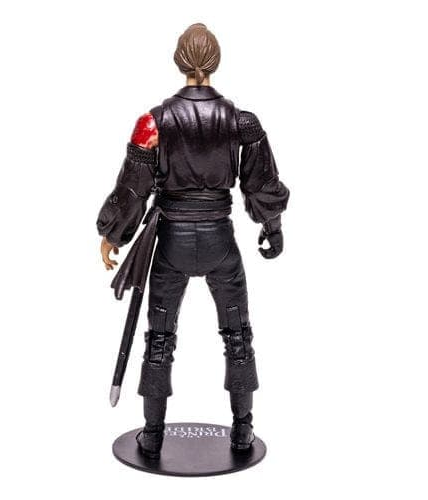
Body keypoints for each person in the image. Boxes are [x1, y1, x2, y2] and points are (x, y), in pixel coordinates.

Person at [97, 23, 289, 458]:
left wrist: (112, 233)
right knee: (237, 336)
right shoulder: (241, 122)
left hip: (172, 244)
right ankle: (243, 431)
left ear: (179, 61)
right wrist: (272, 227)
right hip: (220, 241)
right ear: (215, 62)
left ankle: (152, 435)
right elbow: (261, 183)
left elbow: (132, 189)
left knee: (159, 338)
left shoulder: (154, 123)